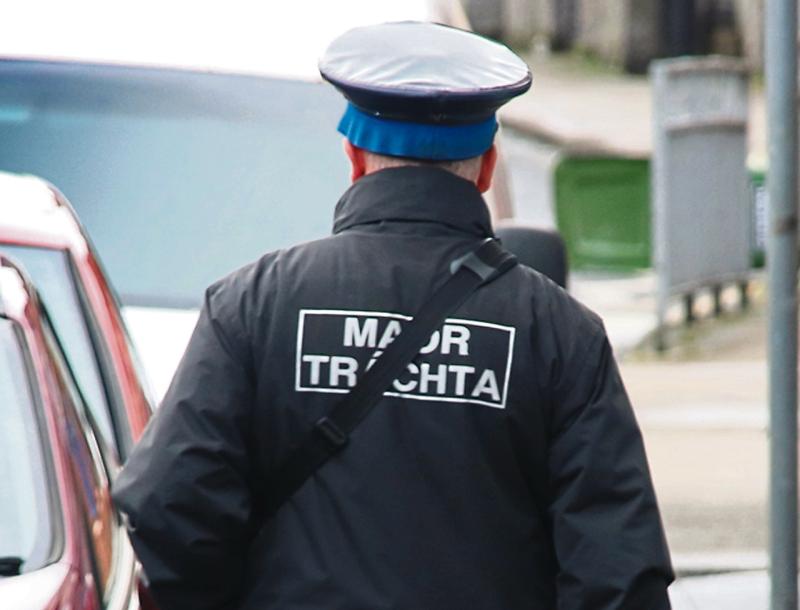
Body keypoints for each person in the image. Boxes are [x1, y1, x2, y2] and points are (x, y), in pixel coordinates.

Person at [112, 21, 674, 610]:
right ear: (486, 168)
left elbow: (166, 514)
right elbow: (620, 577)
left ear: (354, 156)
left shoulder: (252, 305)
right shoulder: (559, 334)